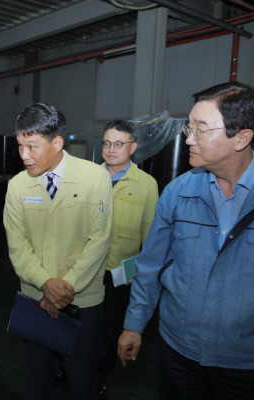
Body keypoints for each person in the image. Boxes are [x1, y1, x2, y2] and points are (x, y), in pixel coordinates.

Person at [118, 82, 254, 400]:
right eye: (188, 126)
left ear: (242, 137)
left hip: (247, 366)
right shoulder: (179, 192)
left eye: (201, 129)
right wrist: (134, 324)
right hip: (178, 354)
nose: (188, 139)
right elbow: (151, 264)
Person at [3, 103, 113, 400]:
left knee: (82, 381)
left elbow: (99, 240)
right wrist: (45, 285)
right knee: (39, 380)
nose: (24, 155)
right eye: (20, 146)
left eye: (32, 146)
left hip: (82, 300)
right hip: (36, 299)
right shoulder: (16, 186)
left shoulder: (95, 178)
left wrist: (64, 289)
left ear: (57, 142)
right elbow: (17, 244)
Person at [97, 120, 158, 396]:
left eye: (118, 144)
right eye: (107, 143)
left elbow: (150, 236)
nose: (111, 149)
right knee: (77, 321)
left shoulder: (146, 184)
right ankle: (69, 365)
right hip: (86, 268)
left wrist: (139, 272)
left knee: (110, 328)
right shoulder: (89, 177)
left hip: (120, 272)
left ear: (132, 147)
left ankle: (100, 373)